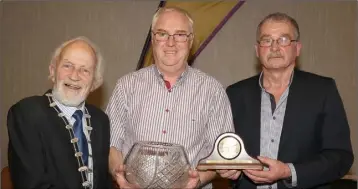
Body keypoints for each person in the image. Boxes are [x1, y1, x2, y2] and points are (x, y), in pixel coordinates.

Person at [219, 12, 354, 189]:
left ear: (297, 48)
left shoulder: (323, 90)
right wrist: (228, 167)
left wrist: (289, 172)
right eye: (266, 40)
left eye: (283, 40)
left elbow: (340, 157)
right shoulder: (235, 94)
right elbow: (227, 151)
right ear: (257, 50)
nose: (274, 47)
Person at [106, 7, 234, 189]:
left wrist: (198, 179)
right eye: (162, 34)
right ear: (152, 39)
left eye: (180, 35)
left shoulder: (213, 91)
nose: (171, 43)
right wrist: (119, 175)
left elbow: (221, 153)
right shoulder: (126, 86)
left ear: (191, 41)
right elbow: (111, 145)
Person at [7, 37, 113, 189]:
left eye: (85, 70)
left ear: (95, 81)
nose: (74, 76)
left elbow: (103, 181)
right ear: (52, 71)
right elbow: (31, 184)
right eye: (67, 66)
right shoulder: (27, 113)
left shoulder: (100, 120)